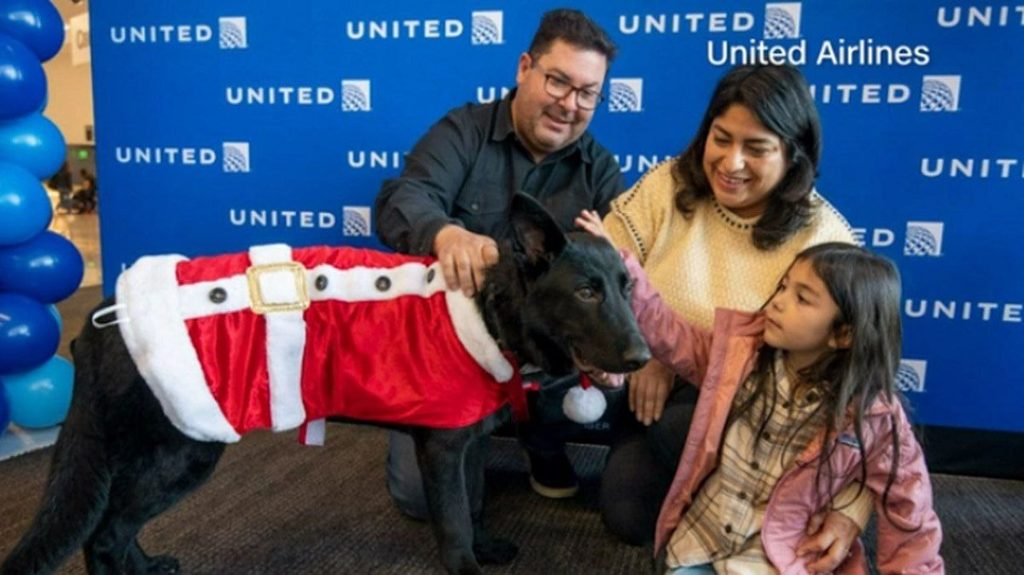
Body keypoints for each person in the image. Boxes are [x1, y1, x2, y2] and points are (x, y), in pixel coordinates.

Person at [595, 64, 865, 565]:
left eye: (757, 148)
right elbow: (603, 267)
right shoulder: (667, 184)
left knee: (680, 430)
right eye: (721, 138)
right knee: (627, 515)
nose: (731, 161)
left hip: (757, 414)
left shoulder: (824, 239)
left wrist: (853, 506)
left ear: (793, 154)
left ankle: (759, 508)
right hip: (651, 387)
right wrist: (645, 349)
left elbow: (868, 395)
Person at [578, 221, 945, 573]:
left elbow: (910, 513)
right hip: (700, 543)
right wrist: (621, 266)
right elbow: (669, 332)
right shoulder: (738, 356)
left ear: (843, 334)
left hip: (778, 558)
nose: (778, 302)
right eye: (783, 287)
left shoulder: (875, 416)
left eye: (802, 298)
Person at [373, 8, 623, 519]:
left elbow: (623, 272)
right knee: (420, 500)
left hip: (543, 357)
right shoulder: (462, 131)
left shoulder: (600, 169)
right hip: (448, 352)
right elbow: (405, 197)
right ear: (524, 67)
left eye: (587, 93)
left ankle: (543, 439)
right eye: (558, 81)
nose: (569, 104)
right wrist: (444, 232)